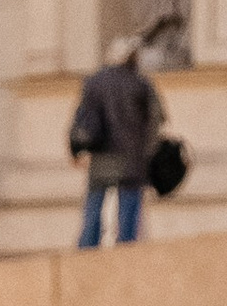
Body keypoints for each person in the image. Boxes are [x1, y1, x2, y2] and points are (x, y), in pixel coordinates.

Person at [67, 35, 164, 248]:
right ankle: (125, 253)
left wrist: (75, 150)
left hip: (101, 157)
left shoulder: (94, 83)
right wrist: (150, 150)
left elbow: (81, 119)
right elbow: (157, 119)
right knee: (128, 216)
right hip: (131, 158)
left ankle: (86, 252)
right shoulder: (140, 83)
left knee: (93, 210)